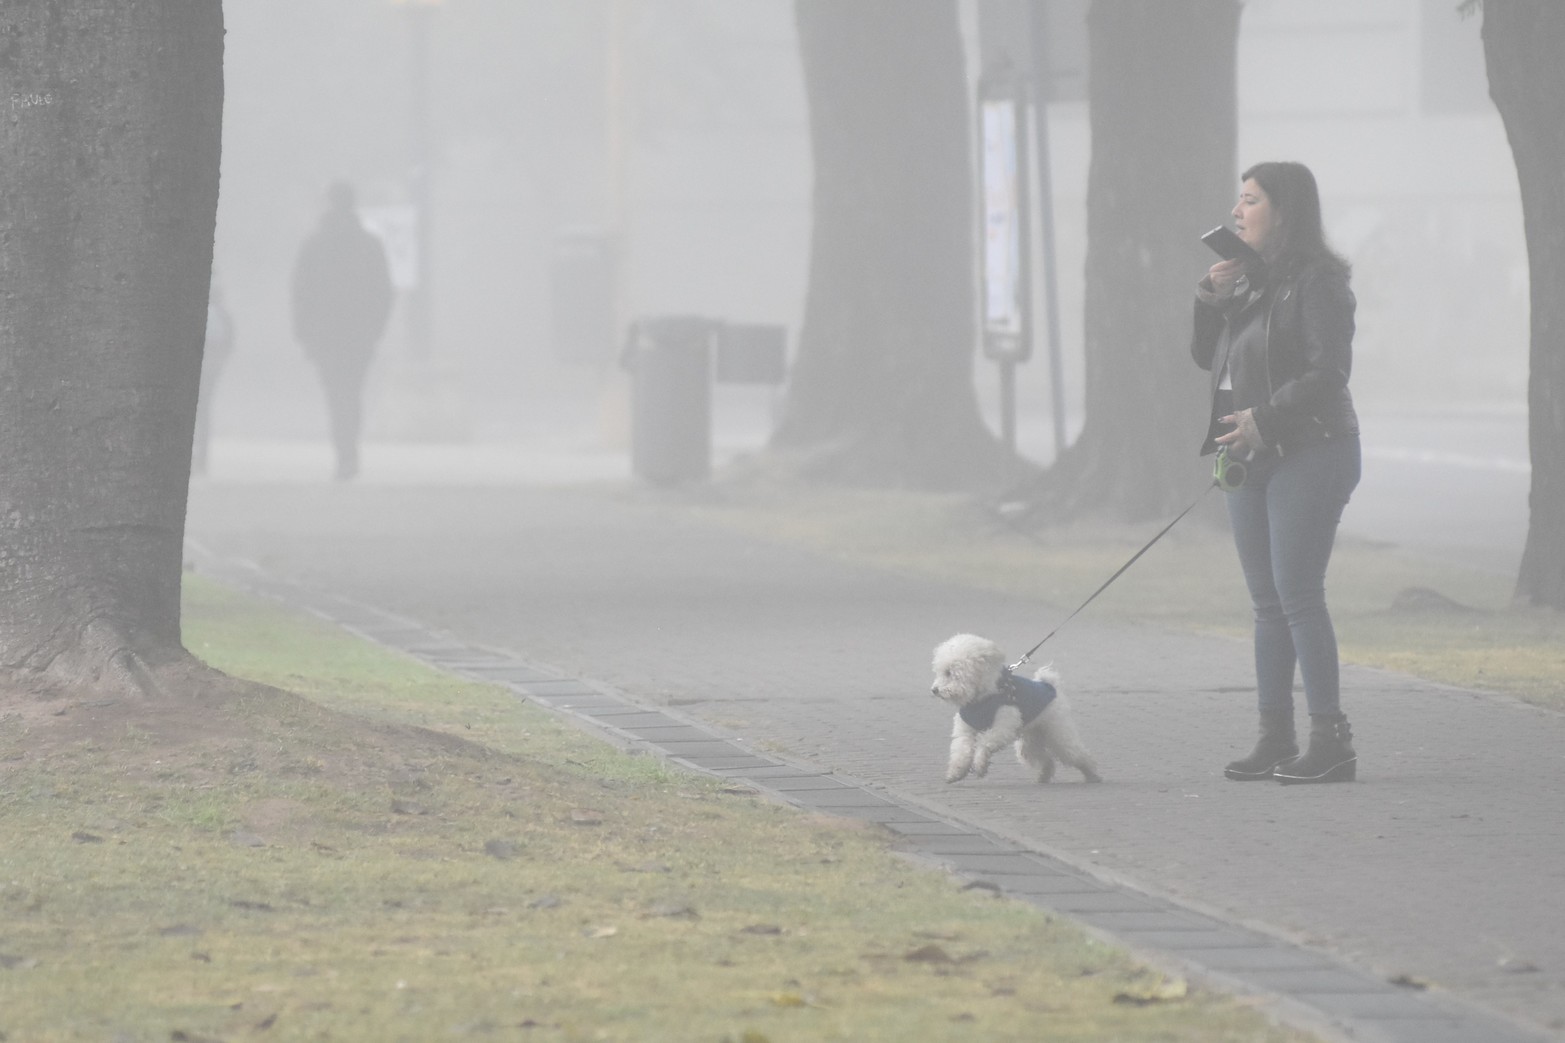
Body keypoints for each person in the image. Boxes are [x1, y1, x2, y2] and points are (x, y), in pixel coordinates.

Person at [1190, 161, 1362, 785]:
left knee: (1297, 594)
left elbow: (1328, 373)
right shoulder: (1253, 282)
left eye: (1251, 200)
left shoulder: (1319, 282)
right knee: (1266, 602)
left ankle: (1330, 739)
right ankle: (1275, 735)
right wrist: (1212, 296)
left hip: (1311, 450)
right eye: (1238, 200)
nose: (1238, 212)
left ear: (1284, 210)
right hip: (1248, 453)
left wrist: (1268, 416)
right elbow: (1205, 355)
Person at [291, 182, 394, 481]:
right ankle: (349, 453)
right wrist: (376, 329)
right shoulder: (369, 245)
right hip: (359, 336)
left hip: (325, 337)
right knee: (352, 393)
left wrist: (304, 334)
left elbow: (300, 292)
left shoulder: (314, 244)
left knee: (336, 394)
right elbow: (383, 292)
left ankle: (344, 453)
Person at [192, 275, 233, 476]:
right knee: (204, 412)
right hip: (212, 370)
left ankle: (199, 458)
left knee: (200, 411)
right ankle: (201, 459)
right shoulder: (222, 316)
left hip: (206, 370)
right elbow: (228, 344)